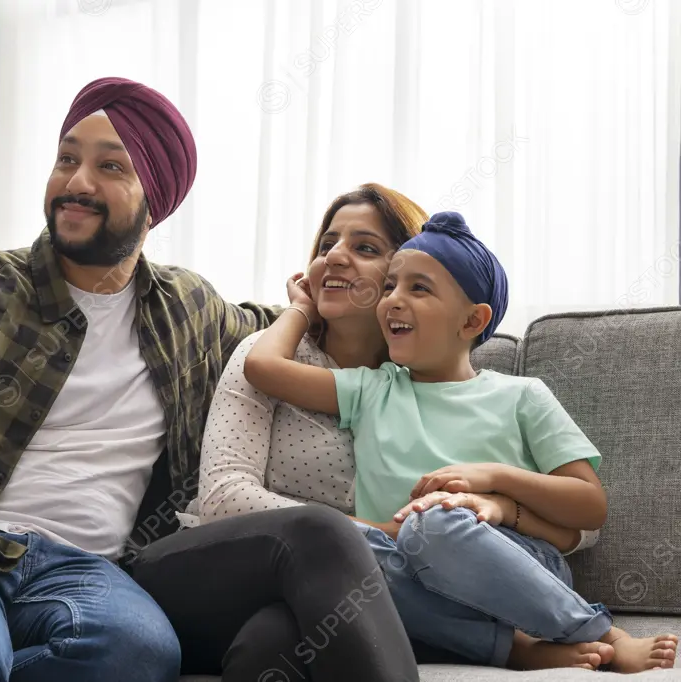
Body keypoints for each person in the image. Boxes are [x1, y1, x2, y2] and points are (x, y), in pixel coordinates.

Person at [0, 76, 418, 682]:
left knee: (140, 651)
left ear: (157, 200)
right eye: (67, 159)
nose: (78, 181)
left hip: (88, 571)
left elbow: (315, 334)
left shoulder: (191, 314)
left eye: (109, 166)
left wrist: (390, 301)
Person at [241, 210, 679, 673]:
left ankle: (600, 632)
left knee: (433, 524)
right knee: (338, 543)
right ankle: (514, 648)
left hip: (517, 569)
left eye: (419, 288)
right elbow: (262, 367)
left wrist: (492, 480)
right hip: (410, 578)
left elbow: (590, 505)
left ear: (472, 320)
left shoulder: (521, 396)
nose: (393, 299)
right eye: (390, 286)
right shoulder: (371, 389)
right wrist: (300, 309)